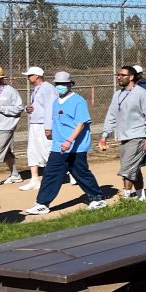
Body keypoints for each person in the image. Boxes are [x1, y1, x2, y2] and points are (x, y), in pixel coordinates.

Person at [23, 72, 107, 215]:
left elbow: (81, 123)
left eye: (63, 84)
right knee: (50, 173)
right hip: (58, 146)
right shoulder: (56, 102)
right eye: (58, 84)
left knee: (80, 172)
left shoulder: (78, 101)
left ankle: (97, 198)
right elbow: (56, 120)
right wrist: (51, 133)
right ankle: (42, 203)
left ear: (70, 85)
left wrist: (69, 140)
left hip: (76, 146)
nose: (60, 87)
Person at [99, 65, 146, 201]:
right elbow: (111, 116)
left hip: (138, 136)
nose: (119, 77)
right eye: (118, 75)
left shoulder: (142, 93)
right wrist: (104, 135)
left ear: (131, 77)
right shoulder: (117, 95)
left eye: (122, 75)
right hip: (124, 137)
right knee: (134, 168)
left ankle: (125, 197)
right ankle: (141, 197)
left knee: (127, 168)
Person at [19, 66, 58, 191]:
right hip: (35, 124)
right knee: (33, 151)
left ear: (37, 76)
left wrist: (48, 127)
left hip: (43, 125)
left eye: (30, 75)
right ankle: (34, 179)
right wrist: (27, 109)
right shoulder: (36, 89)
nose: (28, 78)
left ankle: (61, 175)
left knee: (47, 151)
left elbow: (50, 108)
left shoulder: (48, 88)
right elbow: (37, 106)